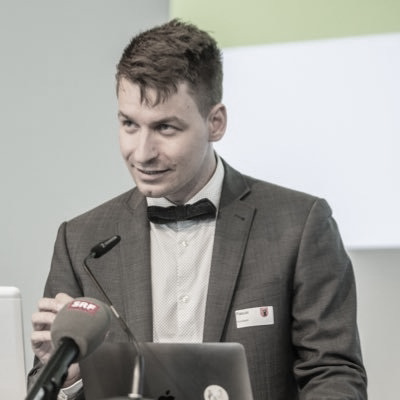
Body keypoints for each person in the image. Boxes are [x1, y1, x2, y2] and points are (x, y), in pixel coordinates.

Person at [28, 19, 367, 400]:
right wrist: (70, 379)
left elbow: (334, 375)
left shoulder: (300, 225)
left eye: (166, 128)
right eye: (129, 124)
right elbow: (41, 382)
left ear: (215, 123)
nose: (142, 153)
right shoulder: (80, 240)